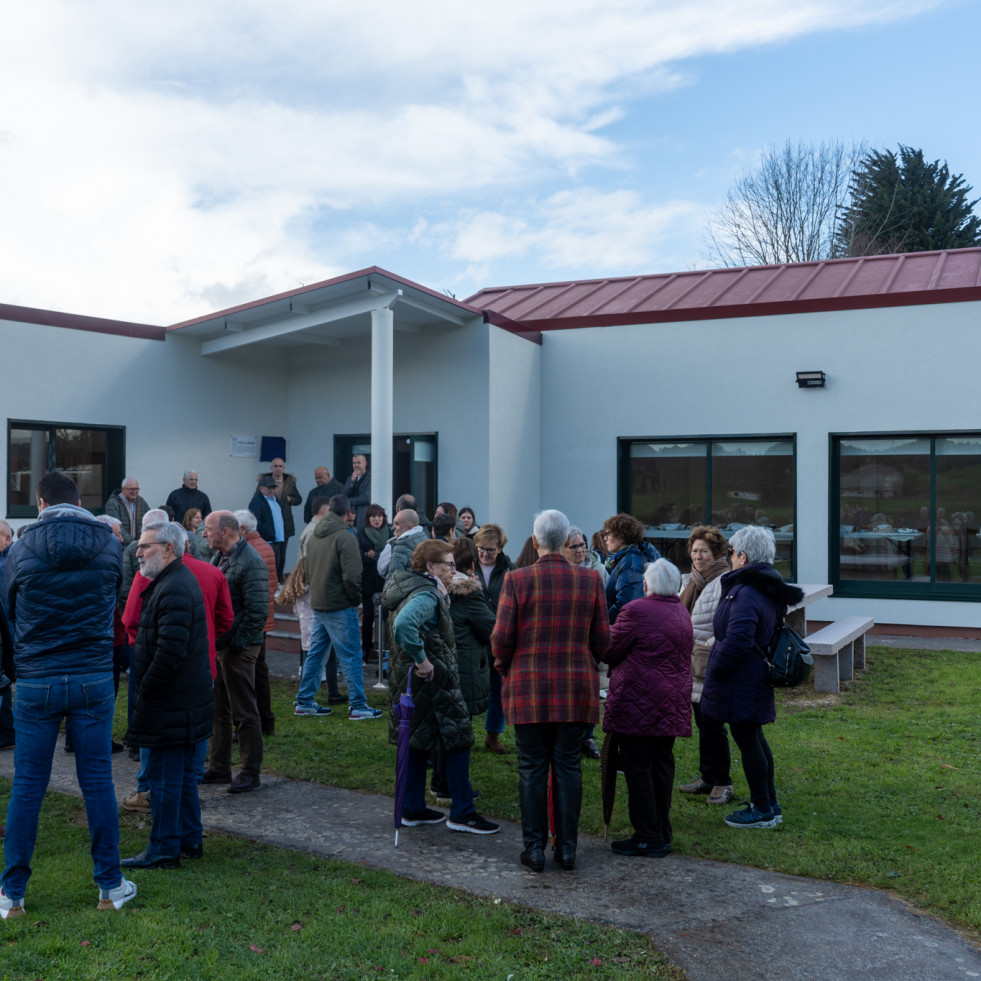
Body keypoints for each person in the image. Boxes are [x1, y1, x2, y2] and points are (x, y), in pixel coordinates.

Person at [1, 472, 136, 917]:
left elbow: (10, 607)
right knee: (97, 780)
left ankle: (12, 893)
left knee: (27, 785)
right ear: (80, 501)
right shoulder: (110, 545)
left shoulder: (20, 548)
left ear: (41, 502)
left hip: (38, 677)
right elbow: (114, 600)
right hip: (92, 677)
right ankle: (110, 885)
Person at [492, 509, 610, 873]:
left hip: (528, 688)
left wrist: (505, 668)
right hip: (576, 689)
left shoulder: (516, 579)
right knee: (568, 767)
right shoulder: (591, 581)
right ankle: (567, 849)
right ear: (565, 542)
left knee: (531, 768)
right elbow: (603, 643)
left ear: (534, 541)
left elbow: (501, 639)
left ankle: (535, 848)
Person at [383, 539, 499, 835]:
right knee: (458, 740)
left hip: (413, 683)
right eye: (448, 564)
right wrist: (422, 660)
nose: (453, 568)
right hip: (434, 681)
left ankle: (412, 808)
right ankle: (462, 812)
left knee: (418, 741)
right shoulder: (426, 594)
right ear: (430, 567)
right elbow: (404, 627)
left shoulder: (407, 586)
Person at [121, 522, 212, 869]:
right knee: (182, 775)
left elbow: (169, 653)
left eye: (146, 546)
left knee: (165, 777)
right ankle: (189, 840)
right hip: (181, 701)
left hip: (172, 702)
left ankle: (163, 847)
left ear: (169, 549)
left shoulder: (173, 585)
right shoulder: (170, 580)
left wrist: (145, 690)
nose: (139, 552)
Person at [700, 526, 803, 829]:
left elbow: (738, 640)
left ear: (743, 556)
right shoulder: (761, 586)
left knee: (748, 739)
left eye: (731, 551)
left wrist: (715, 672)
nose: (729, 556)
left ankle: (762, 810)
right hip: (750, 676)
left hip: (740, 679)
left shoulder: (746, 591)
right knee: (753, 738)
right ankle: (769, 804)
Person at [603, 559, 693, 857]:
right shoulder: (681, 611)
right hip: (670, 702)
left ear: (645, 585)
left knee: (637, 768)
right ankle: (662, 831)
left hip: (638, 702)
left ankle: (647, 835)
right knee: (661, 764)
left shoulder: (635, 611)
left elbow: (609, 648)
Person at [296, 495, 382, 720]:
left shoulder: (315, 534)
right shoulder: (345, 536)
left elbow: (309, 570)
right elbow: (352, 576)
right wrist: (355, 600)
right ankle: (359, 705)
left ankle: (304, 701)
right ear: (349, 513)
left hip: (320, 602)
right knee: (351, 656)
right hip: (341, 605)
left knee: (316, 654)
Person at [201, 510, 268, 793]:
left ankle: (250, 772)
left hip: (239, 647)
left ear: (226, 531)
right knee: (219, 708)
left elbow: (257, 611)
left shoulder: (250, 562)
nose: (204, 534)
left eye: (208, 529)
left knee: (244, 711)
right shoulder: (222, 557)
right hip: (224, 645)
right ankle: (219, 768)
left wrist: (238, 644)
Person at [430, 537, 495, 799]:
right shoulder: (468, 594)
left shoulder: (436, 591)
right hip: (463, 670)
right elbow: (492, 629)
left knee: (441, 728)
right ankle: (452, 789)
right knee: (458, 733)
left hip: (442, 666)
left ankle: (439, 782)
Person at [678, 526, 734, 805]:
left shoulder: (724, 580)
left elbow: (725, 623)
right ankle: (707, 777)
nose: (698, 555)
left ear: (717, 554)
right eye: (695, 550)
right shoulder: (692, 580)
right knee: (702, 721)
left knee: (713, 723)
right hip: (691, 661)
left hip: (708, 661)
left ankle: (723, 782)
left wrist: (708, 648)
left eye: (704, 551)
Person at [473, 523, 515, 755]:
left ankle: (492, 735)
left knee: (498, 688)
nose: (484, 554)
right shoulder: (467, 566)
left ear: (500, 548)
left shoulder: (510, 568)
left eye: (489, 550)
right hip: (473, 636)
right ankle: (463, 732)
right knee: (468, 686)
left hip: (499, 634)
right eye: (480, 548)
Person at [235, 510, 278, 737]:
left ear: (242, 530)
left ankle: (257, 724)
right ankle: (265, 721)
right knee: (259, 672)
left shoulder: (251, 551)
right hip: (262, 619)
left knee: (252, 675)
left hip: (254, 621)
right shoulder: (264, 546)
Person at [601, 513, 661, 624]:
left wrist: (603, 621)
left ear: (622, 536)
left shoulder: (631, 562)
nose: (605, 538)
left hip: (626, 629)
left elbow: (627, 604)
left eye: (607, 533)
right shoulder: (633, 556)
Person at [255, 458, 301, 580]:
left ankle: (279, 578)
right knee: (270, 553)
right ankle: (270, 579)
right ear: (271, 468)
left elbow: (299, 499)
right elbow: (256, 499)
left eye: (280, 466)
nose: (278, 468)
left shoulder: (289, 481)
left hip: (284, 523)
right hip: (269, 523)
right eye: (275, 466)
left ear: (284, 468)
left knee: (281, 553)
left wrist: (291, 500)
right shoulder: (264, 481)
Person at [357, 504, 390, 662]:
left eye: (379, 516)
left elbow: (390, 555)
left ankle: (384, 650)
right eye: (373, 516)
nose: (377, 519)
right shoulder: (362, 533)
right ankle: (366, 649)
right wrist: (369, 556)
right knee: (368, 616)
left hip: (385, 581)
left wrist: (374, 555)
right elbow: (360, 556)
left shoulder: (389, 533)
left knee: (385, 617)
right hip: (368, 581)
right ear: (368, 519)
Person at [249, 475, 287, 583]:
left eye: (273, 487)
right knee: (268, 568)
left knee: (278, 565)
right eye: (268, 487)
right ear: (261, 488)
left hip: (278, 540)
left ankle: (276, 585)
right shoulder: (256, 502)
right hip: (267, 541)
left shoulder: (276, 501)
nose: (271, 490)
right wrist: (268, 533)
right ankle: (270, 588)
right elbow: (255, 522)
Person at [378, 509, 427, 579]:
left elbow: (393, 579)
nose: (393, 527)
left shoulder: (400, 547)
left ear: (409, 527)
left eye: (397, 524)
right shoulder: (425, 539)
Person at [105, 477, 150, 546]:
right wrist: (130, 541)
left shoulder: (141, 501)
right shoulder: (113, 503)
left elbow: (150, 519)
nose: (134, 491)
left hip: (139, 545)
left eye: (136, 489)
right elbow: (117, 526)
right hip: (120, 545)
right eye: (131, 489)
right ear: (123, 490)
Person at [343, 454, 372, 529]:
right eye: (354, 463)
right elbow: (343, 495)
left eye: (358, 463)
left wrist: (348, 501)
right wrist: (352, 482)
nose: (356, 465)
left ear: (365, 463)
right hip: (350, 518)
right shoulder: (350, 479)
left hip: (363, 517)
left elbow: (366, 498)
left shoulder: (371, 478)